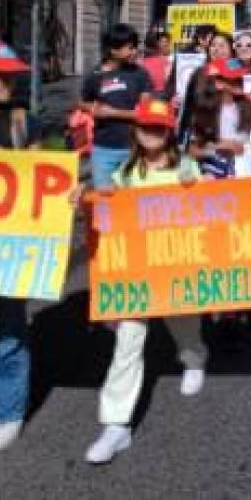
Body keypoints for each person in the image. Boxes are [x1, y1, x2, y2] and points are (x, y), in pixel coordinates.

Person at [85, 97, 206, 465]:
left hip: (175, 266)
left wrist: (193, 184)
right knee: (127, 341)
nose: (151, 133)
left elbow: (210, 210)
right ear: (136, 131)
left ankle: (195, 361)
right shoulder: (128, 169)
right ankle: (116, 424)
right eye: (145, 127)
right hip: (138, 271)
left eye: (158, 127)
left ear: (169, 131)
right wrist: (87, 197)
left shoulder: (186, 167)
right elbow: (112, 209)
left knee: (184, 325)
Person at [0, 41, 42, 452]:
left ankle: (6, 412)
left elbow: (43, 179)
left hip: (9, 246)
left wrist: (70, 196)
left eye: (12, 74)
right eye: (0, 74)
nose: (10, 81)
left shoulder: (26, 122)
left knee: (9, 327)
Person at [80, 25, 152, 189]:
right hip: (103, 149)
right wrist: (91, 108)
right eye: (130, 47)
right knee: (104, 200)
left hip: (134, 148)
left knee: (131, 201)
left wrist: (111, 113)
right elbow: (82, 101)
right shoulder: (95, 76)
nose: (135, 51)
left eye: (135, 46)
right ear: (113, 50)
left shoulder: (140, 74)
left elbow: (144, 112)